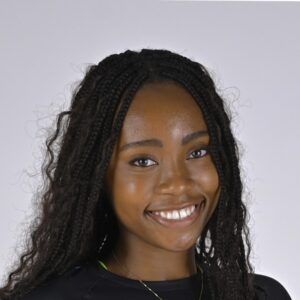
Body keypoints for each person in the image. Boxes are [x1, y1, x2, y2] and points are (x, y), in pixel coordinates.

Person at [0, 49, 292, 300]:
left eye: (197, 152)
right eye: (142, 161)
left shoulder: (259, 295)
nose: (178, 183)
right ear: (98, 174)